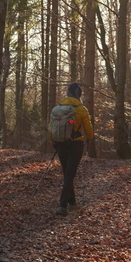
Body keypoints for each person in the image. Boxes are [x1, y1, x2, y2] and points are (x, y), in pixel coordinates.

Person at [50, 82, 94, 216]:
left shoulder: (58, 109)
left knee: (67, 174)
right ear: (79, 95)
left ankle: (72, 203)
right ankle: (62, 206)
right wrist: (89, 138)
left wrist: (55, 142)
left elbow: (50, 127)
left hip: (61, 144)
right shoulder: (82, 110)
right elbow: (89, 131)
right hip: (76, 145)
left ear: (67, 94)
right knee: (70, 175)